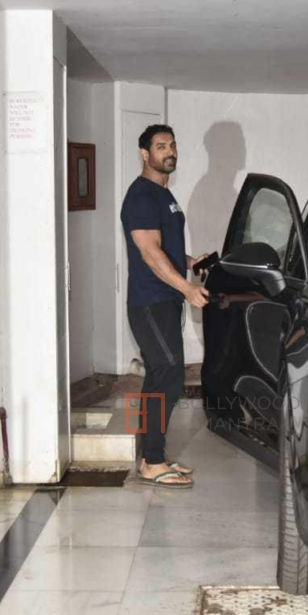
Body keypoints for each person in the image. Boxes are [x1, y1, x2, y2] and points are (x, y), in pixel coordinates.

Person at [120, 124, 211, 488]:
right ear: (145, 154)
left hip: (163, 298)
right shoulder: (141, 196)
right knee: (168, 375)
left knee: (162, 376)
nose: (169, 151)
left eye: (172, 145)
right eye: (160, 146)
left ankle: (151, 456)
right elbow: (149, 251)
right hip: (150, 301)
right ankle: (152, 461)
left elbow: (165, 249)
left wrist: (190, 262)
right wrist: (187, 288)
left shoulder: (162, 195)